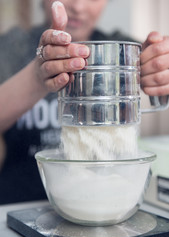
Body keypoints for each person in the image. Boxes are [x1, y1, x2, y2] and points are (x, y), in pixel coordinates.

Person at [0, 0, 169, 204]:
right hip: (18, 204)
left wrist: (159, 70)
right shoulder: (9, 50)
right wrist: (37, 76)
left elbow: (159, 71)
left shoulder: (124, 50)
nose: (78, 7)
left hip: (111, 202)